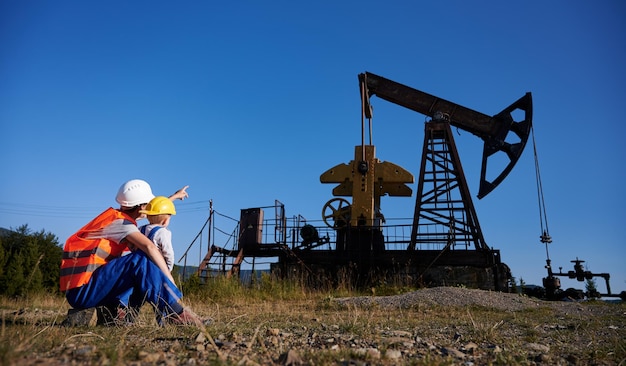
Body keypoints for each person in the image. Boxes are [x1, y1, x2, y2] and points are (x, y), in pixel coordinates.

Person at [60, 179, 203, 326]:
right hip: (83, 292)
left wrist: (173, 197)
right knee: (140, 260)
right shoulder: (122, 225)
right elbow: (150, 247)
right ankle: (176, 313)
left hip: (86, 287)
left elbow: (154, 211)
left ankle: (122, 311)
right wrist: (169, 278)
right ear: (141, 207)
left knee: (137, 262)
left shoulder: (117, 218)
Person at [138, 196, 177, 272]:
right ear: (165, 221)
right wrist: (168, 269)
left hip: (139, 265)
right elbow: (168, 252)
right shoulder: (163, 232)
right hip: (155, 267)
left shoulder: (140, 229)